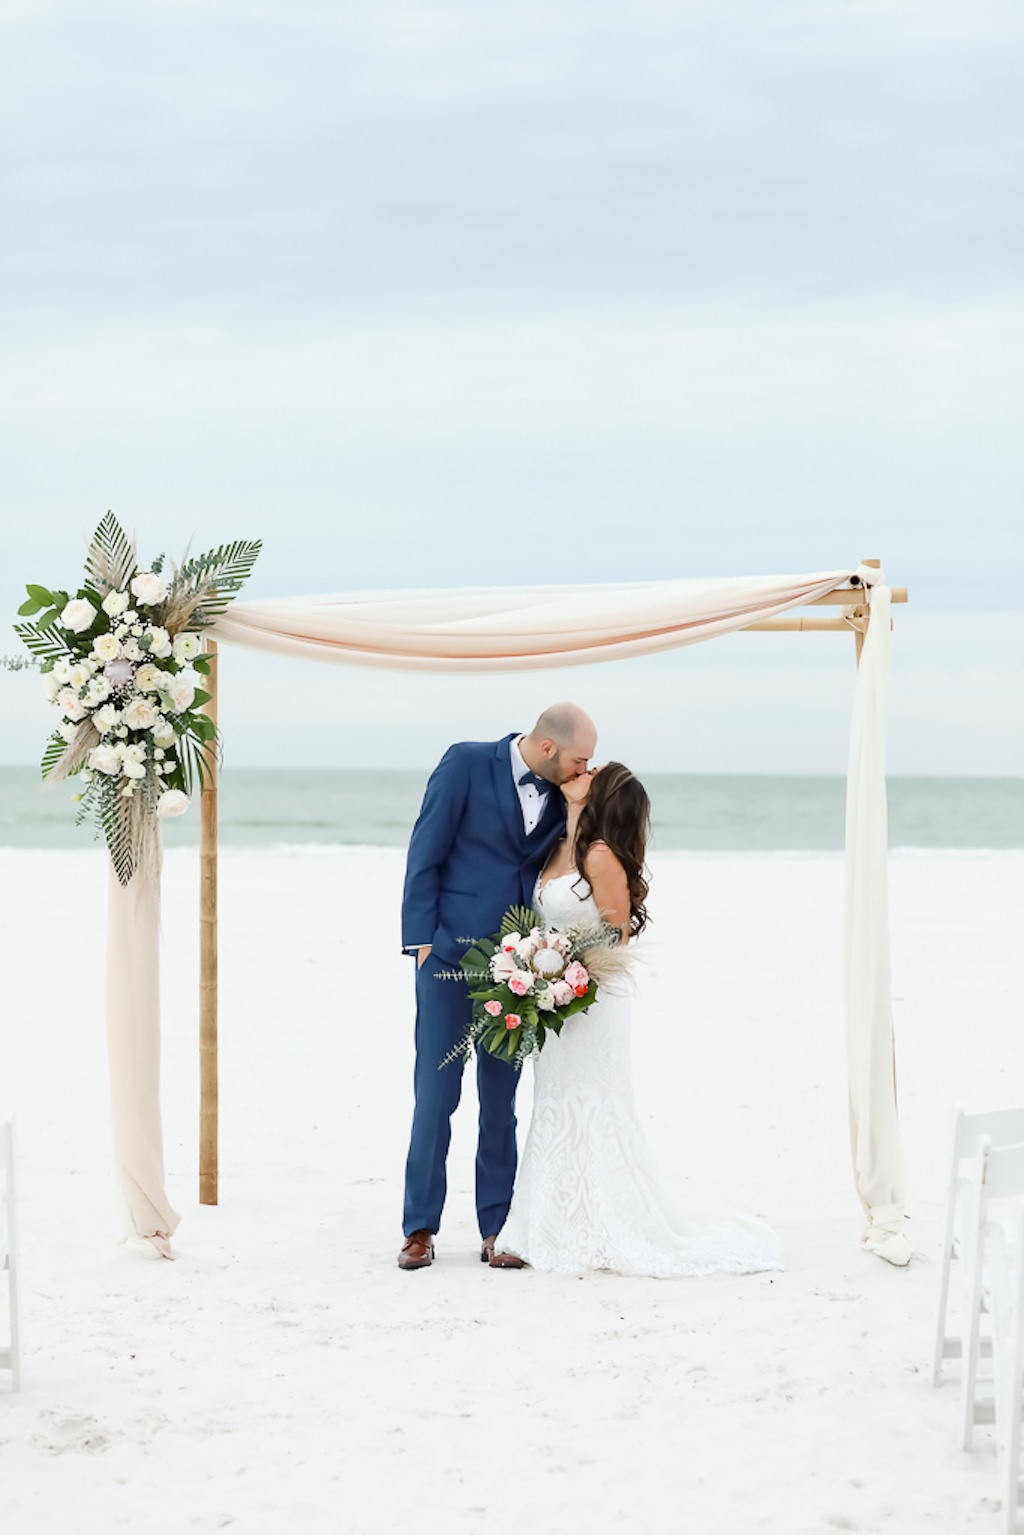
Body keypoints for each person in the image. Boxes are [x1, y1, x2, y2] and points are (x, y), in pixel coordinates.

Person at [496, 762, 783, 1277]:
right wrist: (537, 966)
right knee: (554, 1102)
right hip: (552, 1000)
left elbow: (619, 937)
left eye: (594, 770)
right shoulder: (559, 844)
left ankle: (599, 1223)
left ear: (601, 793)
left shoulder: (601, 856)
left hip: (592, 1002)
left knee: (593, 1104)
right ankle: (540, 1226)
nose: (584, 768)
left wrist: (566, 973)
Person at [398, 703, 598, 1270]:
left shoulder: (565, 792)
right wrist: (421, 942)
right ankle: (419, 1227)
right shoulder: (463, 764)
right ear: (548, 749)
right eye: (581, 759)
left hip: (518, 967)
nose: (587, 769)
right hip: (448, 959)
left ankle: (498, 1228)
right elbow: (424, 853)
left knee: (501, 1103)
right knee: (435, 1097)